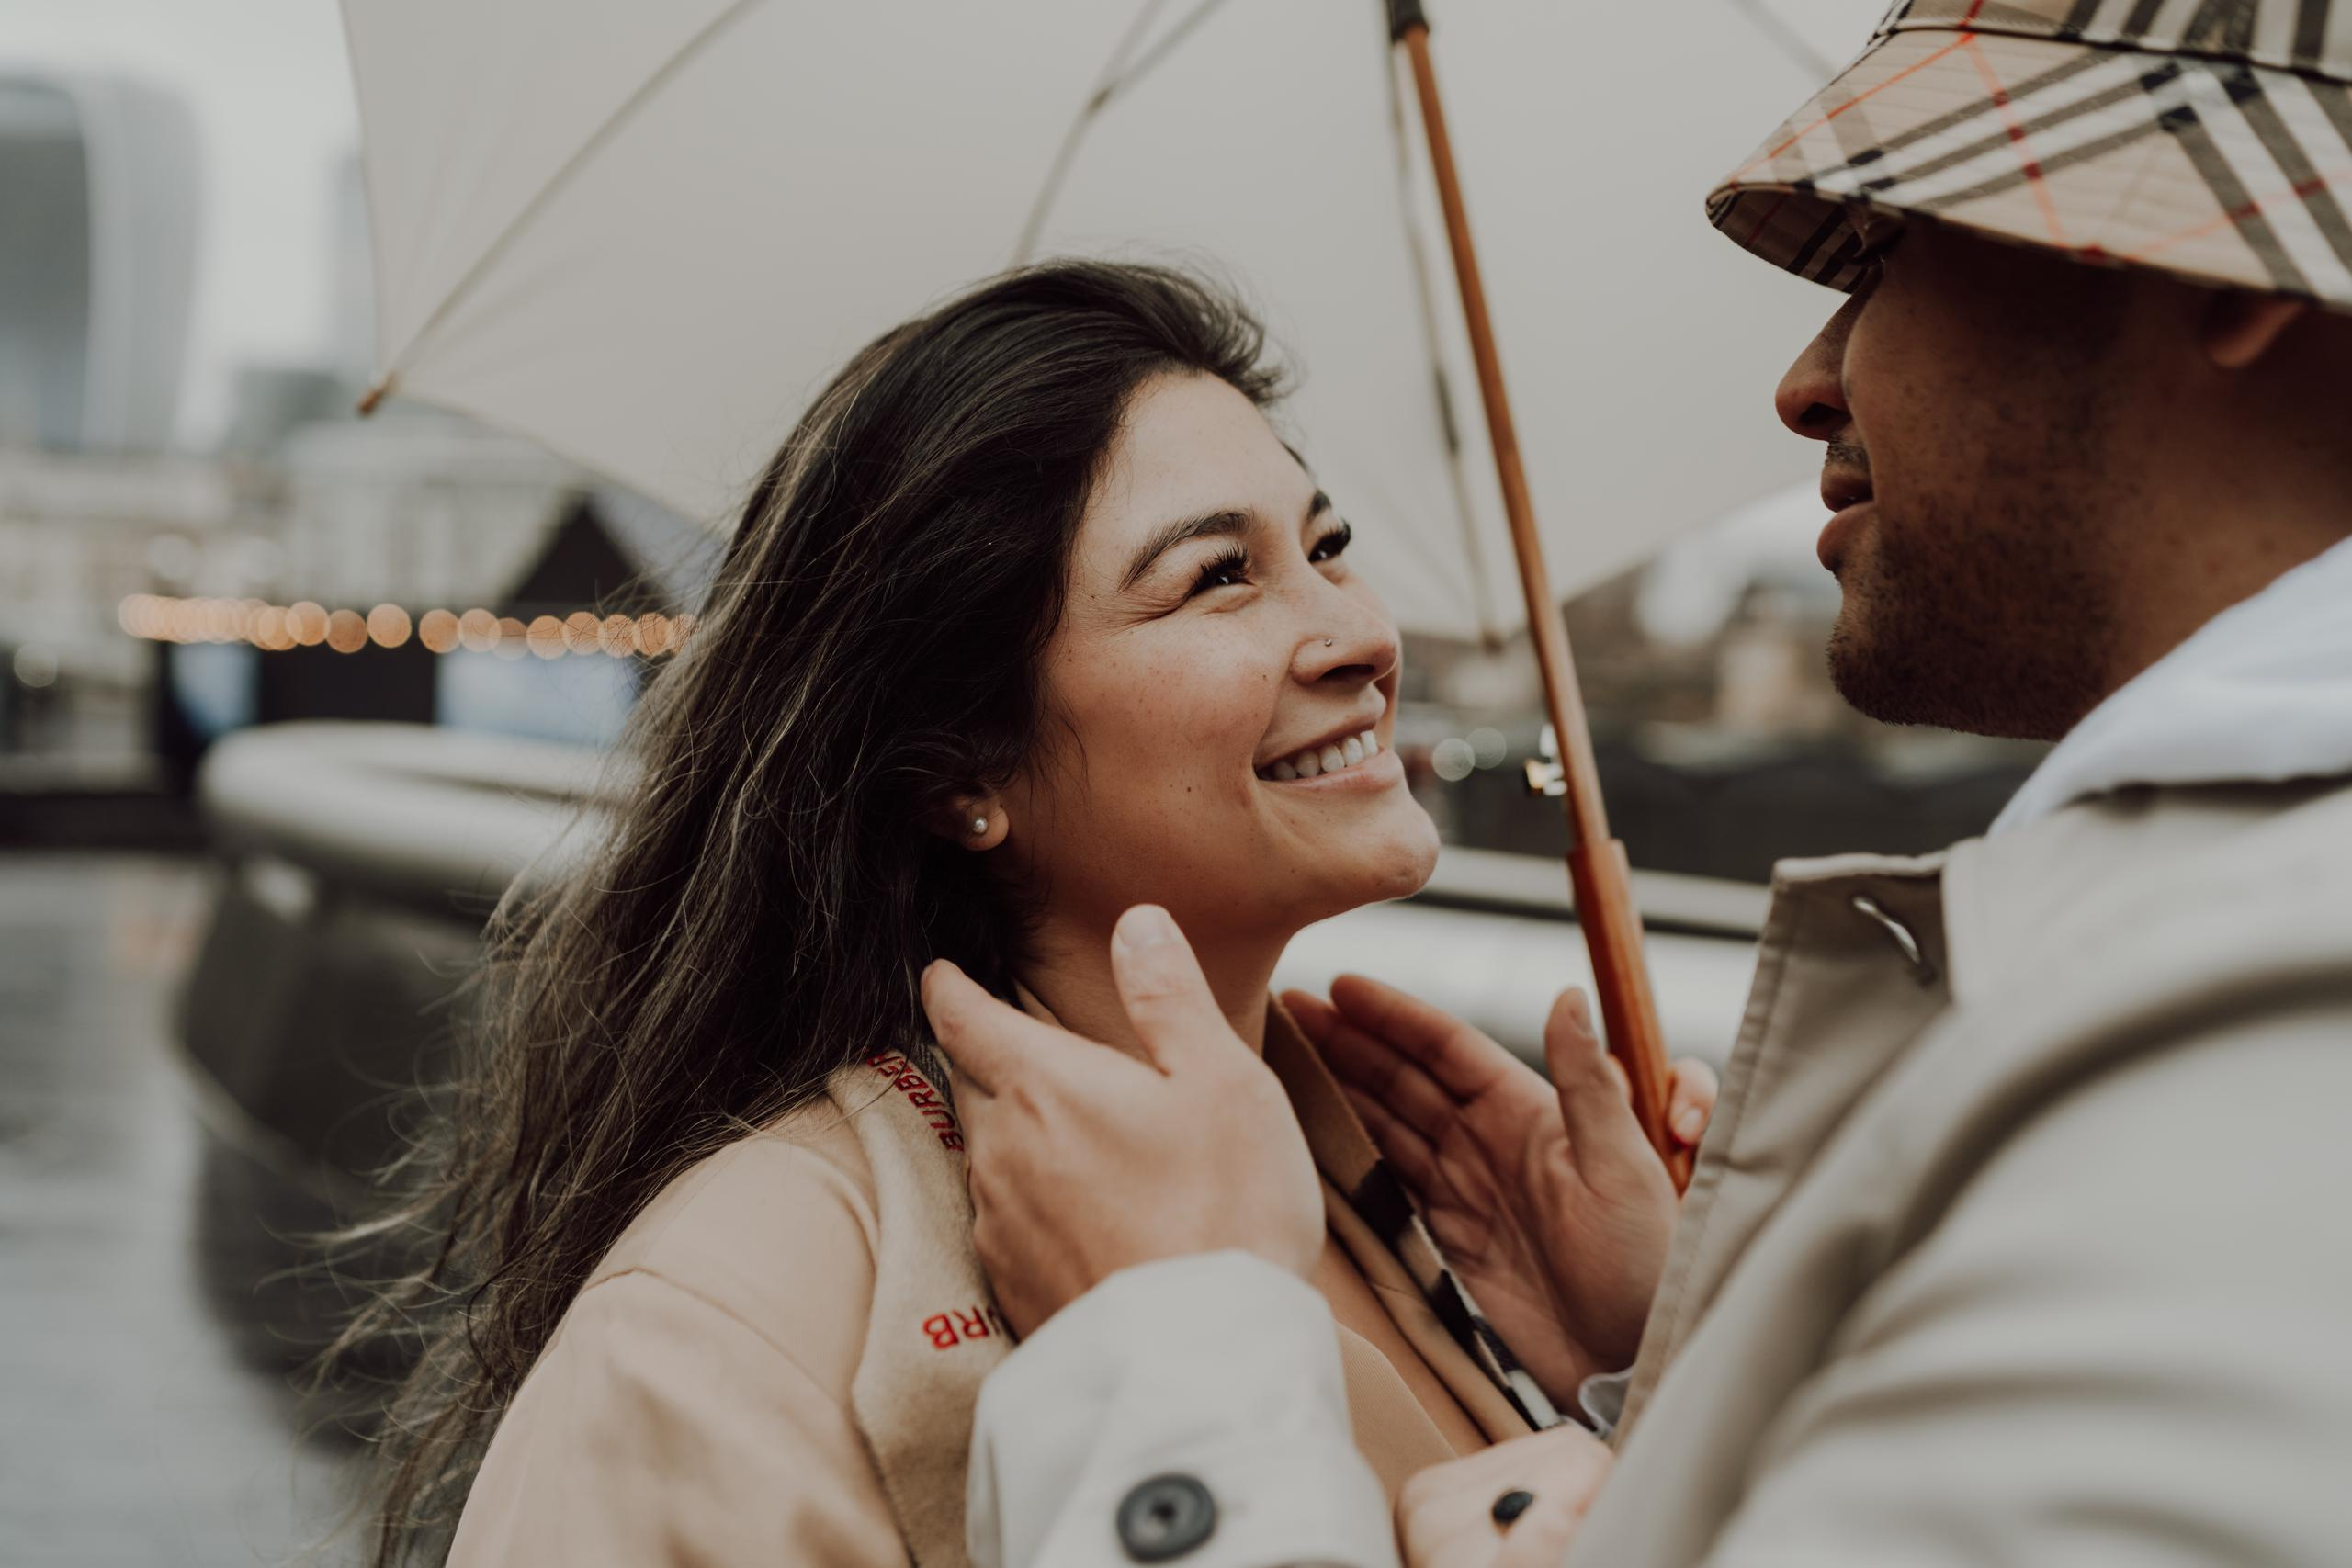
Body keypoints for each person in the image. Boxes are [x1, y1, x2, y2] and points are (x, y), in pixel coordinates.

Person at [923, 4, 2352, 1565]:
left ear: (2216, 262)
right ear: (955, 759)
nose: (1811, 381)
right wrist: (1706, 1354)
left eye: (1878, 255)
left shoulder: (2255, 1030)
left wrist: (1164, 1354)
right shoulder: (2199, 974)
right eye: (1217, 574)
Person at [334, 259, 1713, 1567]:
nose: (1361, 634)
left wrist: (1648, 1363)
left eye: (1328, 543)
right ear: (960, 769)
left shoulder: (1441, 1234)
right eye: (1218, 576)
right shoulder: (746, 1311)